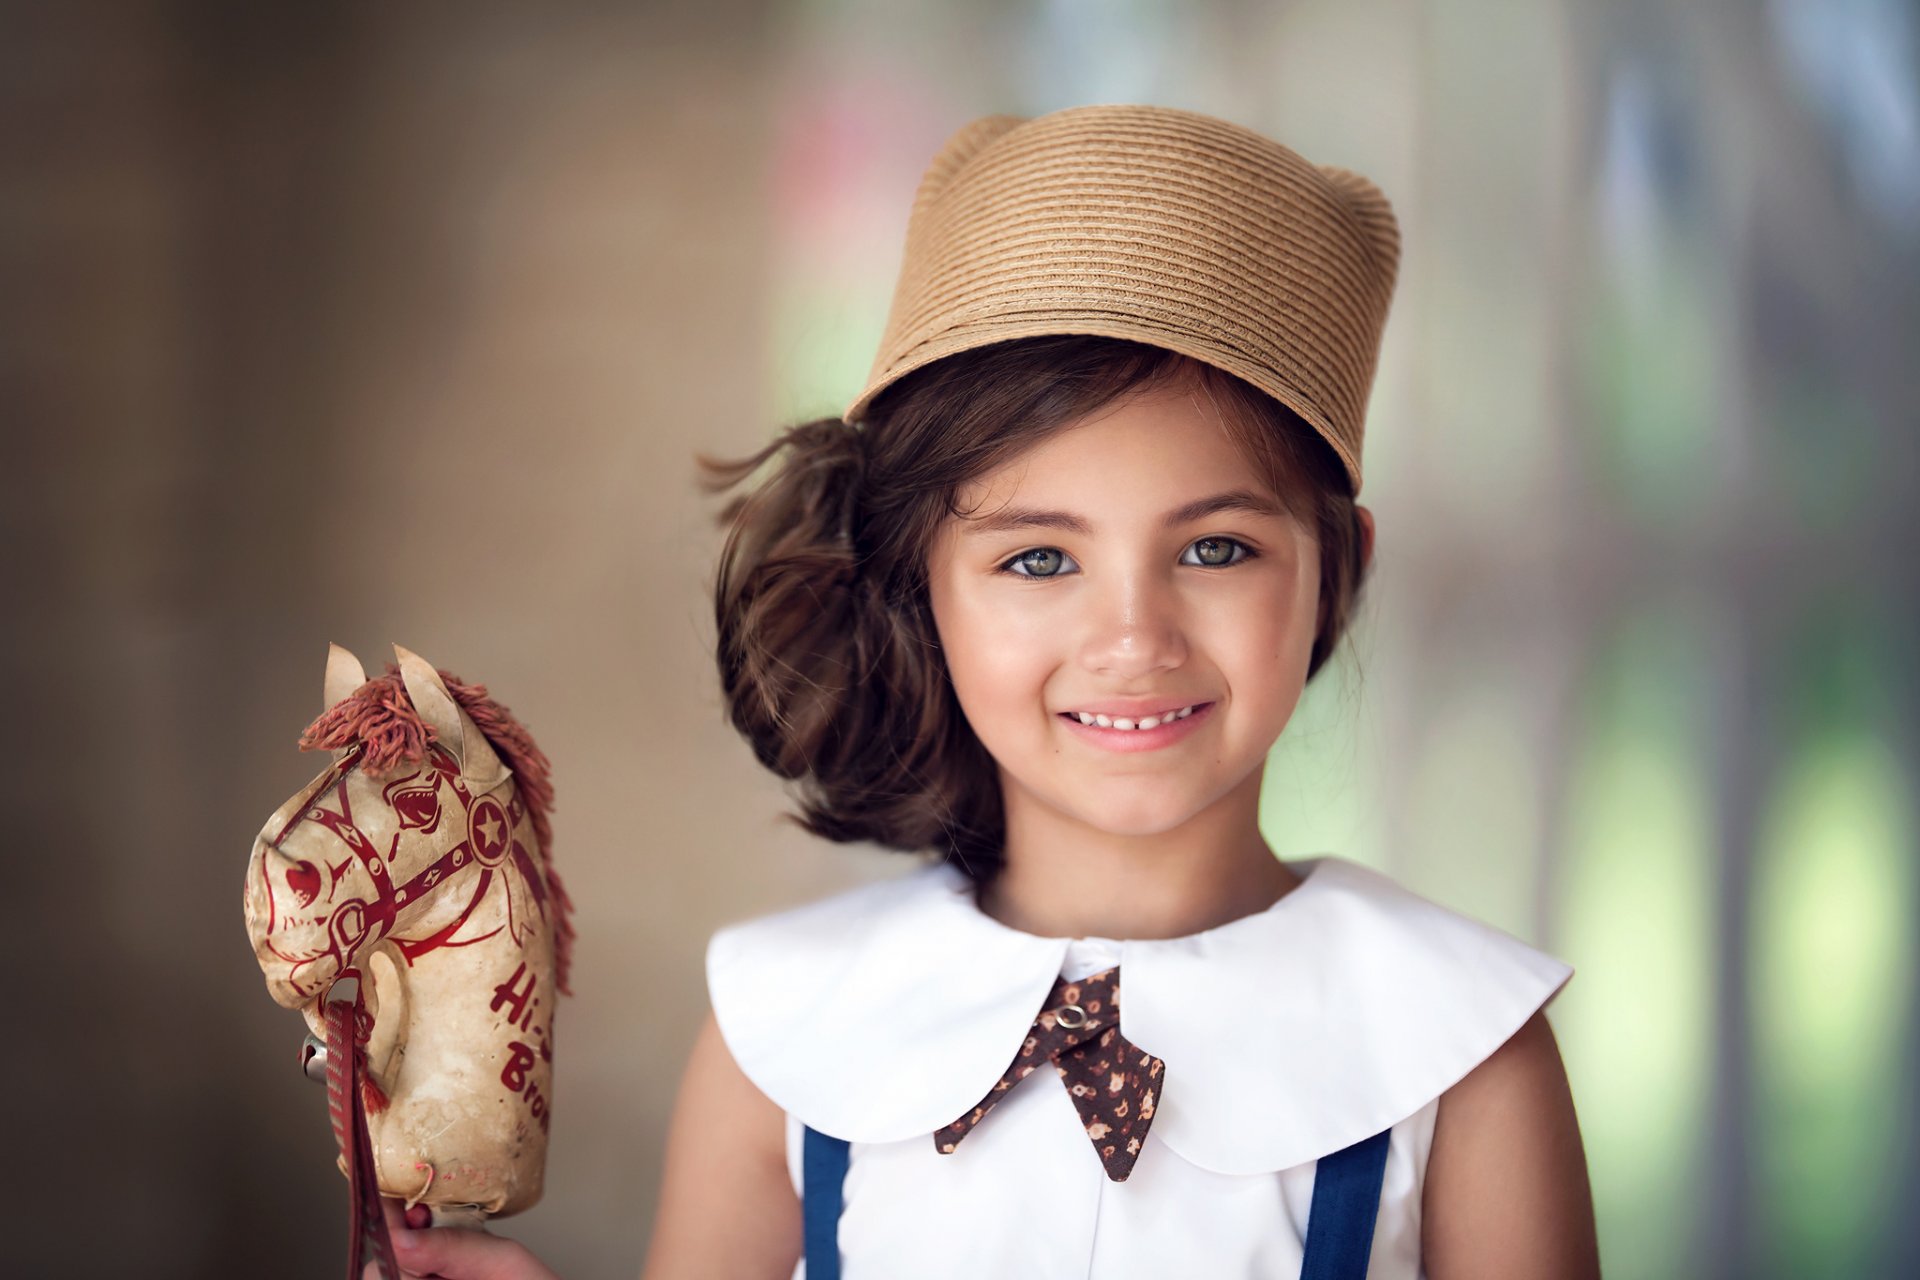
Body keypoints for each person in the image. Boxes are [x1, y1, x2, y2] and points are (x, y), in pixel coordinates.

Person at [381, 103, 1600, 1280]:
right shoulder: (785, 1035)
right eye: (1039, 559)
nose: (1133, 637)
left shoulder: (1463, 1054)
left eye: (1216, 547)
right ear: (919, 584)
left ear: (1340, 569)